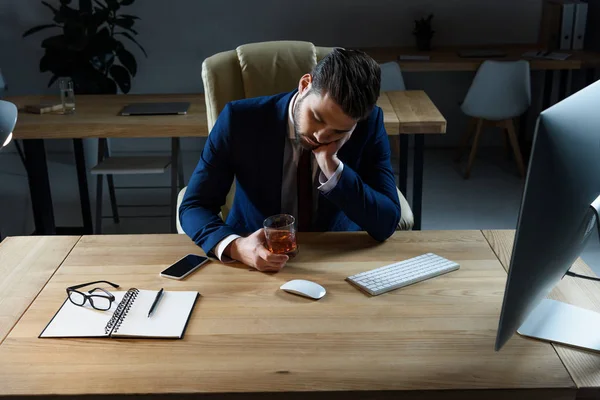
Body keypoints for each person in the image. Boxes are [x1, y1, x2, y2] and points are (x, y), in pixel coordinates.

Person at [180, 48, 401, 272]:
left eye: (338, 132)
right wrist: (237, 247)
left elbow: (386, 224)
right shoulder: (239, 120)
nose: (320, 136)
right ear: (305, 85)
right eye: (316, 117)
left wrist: (334, 169)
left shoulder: (369, 125)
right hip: (255, 257)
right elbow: (194, 205)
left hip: (336, 258)